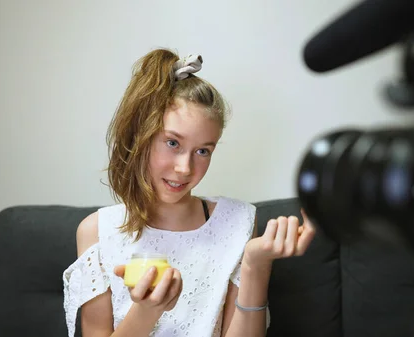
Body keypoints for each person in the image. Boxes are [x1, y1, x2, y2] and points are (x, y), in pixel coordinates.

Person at [62, 48, 316, 337]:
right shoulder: (97, 232)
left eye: (203, 151)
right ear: (140, 137)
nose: (185, 168)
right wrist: (148, 311)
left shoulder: (238, 221)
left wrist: (255, 265)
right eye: (172, 143)